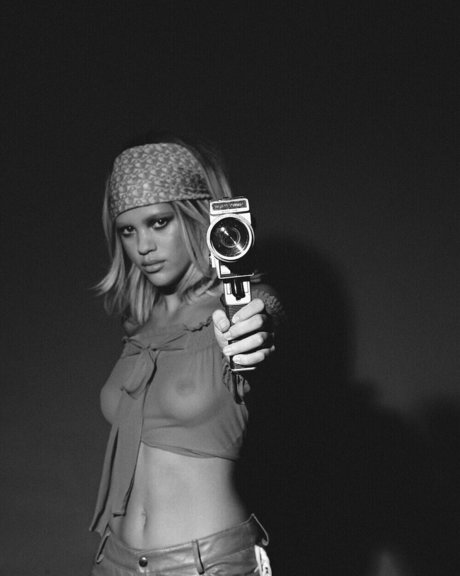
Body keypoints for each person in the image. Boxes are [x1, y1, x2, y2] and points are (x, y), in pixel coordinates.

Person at [89, 134, 283, 575]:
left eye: (159, 222)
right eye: (127, 230)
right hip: (114, 562)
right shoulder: (140, 326)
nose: (143, 246)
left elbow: (265, 311)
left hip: (206, 566)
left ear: (197, 216)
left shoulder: (235, 309)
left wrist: (261, 323)